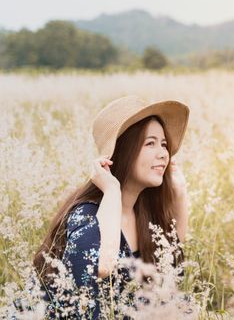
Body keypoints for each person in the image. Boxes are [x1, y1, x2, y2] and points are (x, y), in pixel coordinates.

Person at [31, 95, 191, 319]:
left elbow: (169, 261)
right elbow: (103, 268)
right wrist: (112, 190)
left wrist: (180, 191)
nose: (163, 153)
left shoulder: (141, 213)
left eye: (164, 144)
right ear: (122, 151)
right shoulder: (86, 217)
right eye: (150, 143)